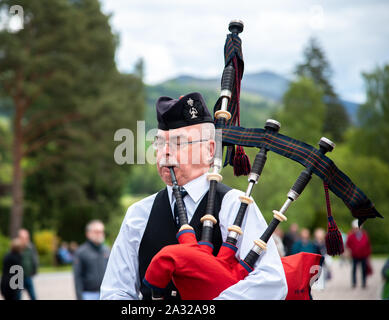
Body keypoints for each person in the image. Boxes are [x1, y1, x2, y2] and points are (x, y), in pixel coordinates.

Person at [100, 92, 287, 300]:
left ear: (209, 150)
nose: (165, 153)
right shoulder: (138, 214)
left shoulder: (234, 205)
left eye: (178, 143)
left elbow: (271, 280)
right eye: (160, 143)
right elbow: (115, 291)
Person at [73, 220, 110, 300]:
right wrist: (79, 297)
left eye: (101, 232)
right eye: (96, 232)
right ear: (88, 233)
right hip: (88, 295)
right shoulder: (81, 252)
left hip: (105, 294)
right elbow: (77, 278)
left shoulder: (107, 250)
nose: (100, 234)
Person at [346, 219, 371, 288]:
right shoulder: (350, 235)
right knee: (354, 269)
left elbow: (368, 245)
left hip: (363, 255)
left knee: (363, 270)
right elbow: (348, 245)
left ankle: (364, 282)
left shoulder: (364, 234)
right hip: (355, 256)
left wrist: (368, 255)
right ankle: (354, 283)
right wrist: (348, 253)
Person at [18, 228, 39, 300]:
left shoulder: (31, 247)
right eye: (22, 238)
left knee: (33, 296)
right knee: (17, 296)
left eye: (26, 238)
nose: (25, 240)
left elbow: (35, 259)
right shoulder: (16, 248)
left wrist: (35, 270)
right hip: (18, 277)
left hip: (28, 275)